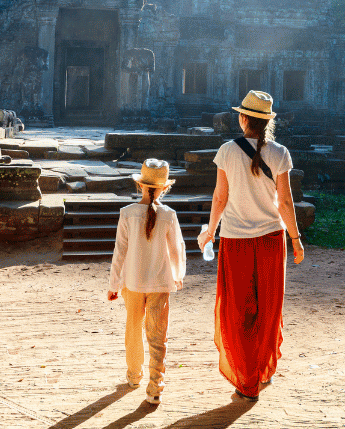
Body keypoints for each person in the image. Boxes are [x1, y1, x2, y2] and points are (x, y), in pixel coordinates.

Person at [198, 90, 305, 401]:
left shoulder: (227, 152)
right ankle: (262, 369)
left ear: (243, 118)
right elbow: (285, 201)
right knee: (268, 309)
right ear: (268, 122)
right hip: (272, 239)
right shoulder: (280, 153)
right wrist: (296, 239)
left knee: (240, 310)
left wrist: (211, 232)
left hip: (236, 241)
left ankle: (247, 380)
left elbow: (220, 198)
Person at [107, 159, 187, 406]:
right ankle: (155, 387)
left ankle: (133, 376)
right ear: (164, 188)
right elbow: (177, 250)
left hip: (132, 282)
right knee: (157, 334)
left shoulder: (127, 213)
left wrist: (113, 284)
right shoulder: (169, 215)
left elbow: (120, 251)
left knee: (133, 329)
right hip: (160, 283)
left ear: (140, 185)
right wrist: (177, 275)